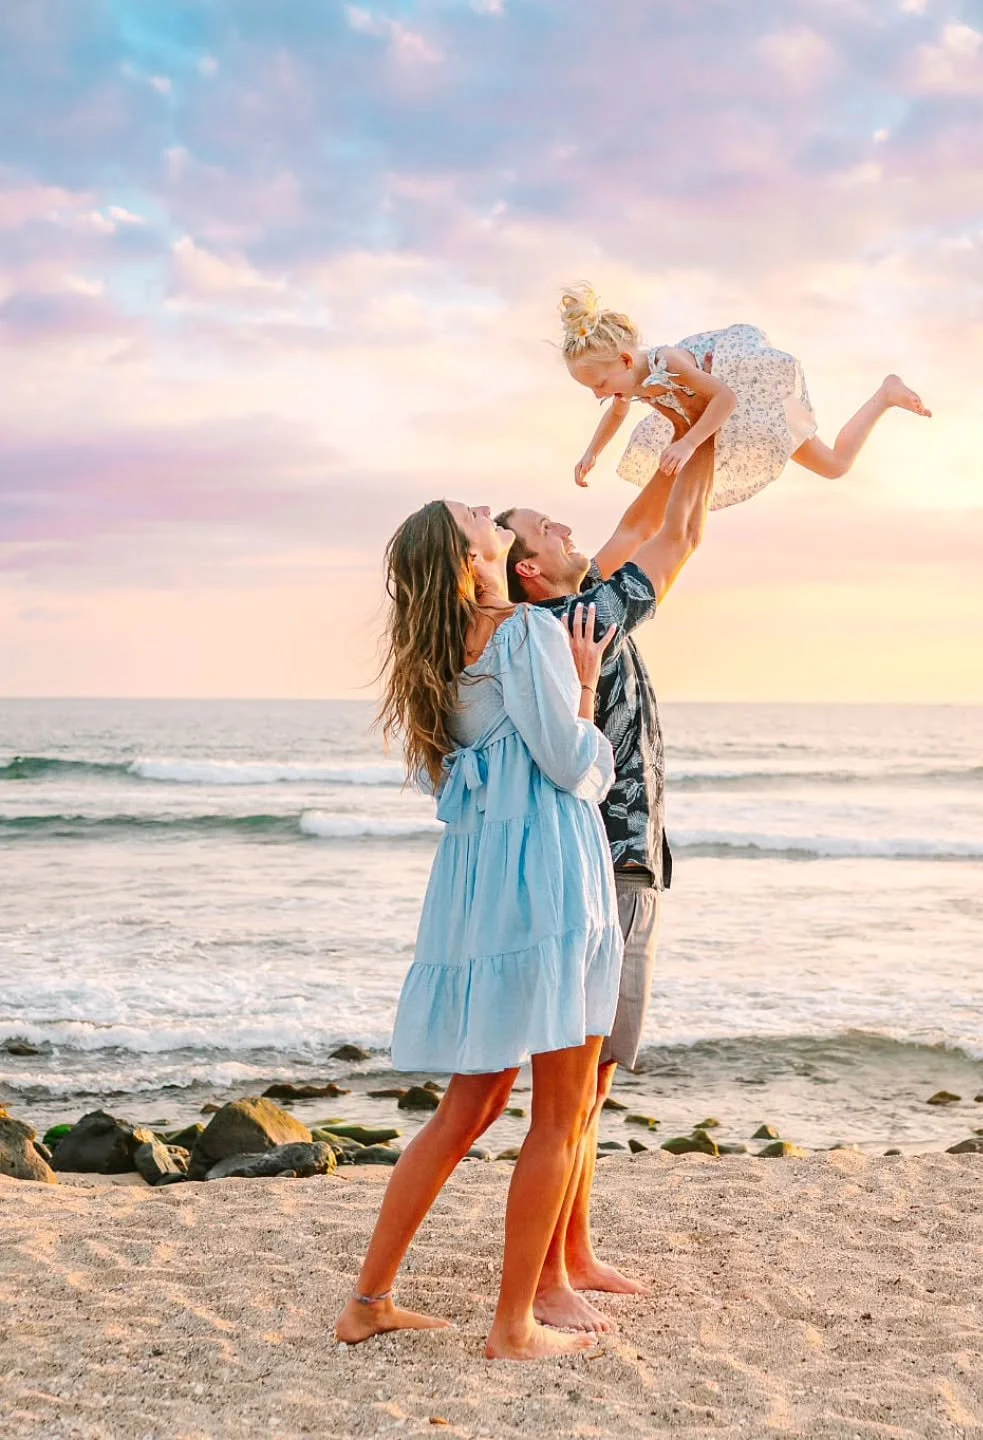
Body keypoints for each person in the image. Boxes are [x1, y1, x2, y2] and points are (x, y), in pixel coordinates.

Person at [334, 498, 622, 1362]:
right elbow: (571, 764)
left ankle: (368, 1302)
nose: (487, 510)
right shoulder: (524, 633)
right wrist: (586, 689)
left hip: (477, 888)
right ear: (473, 556)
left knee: (471, 1105)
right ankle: (513, 1326)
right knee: (562, 1113)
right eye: (476, 514)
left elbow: (445, 785)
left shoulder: (433, 660)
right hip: (548, 880)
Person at [495, 435, 716, 1333]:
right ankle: (548, 1276)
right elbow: (677, 537)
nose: (557, 522)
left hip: (630, 866)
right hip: (610, 869)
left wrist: (686, 444)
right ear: (533, 573)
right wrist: (698, 438)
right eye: (536, 528)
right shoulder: (578, 622)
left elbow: (650, 523)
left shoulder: (573, 614)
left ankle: (573, 1254)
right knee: (575, 1090)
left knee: (594, 1086)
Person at [559, 281, 930, 509]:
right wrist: (592, 452)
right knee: (677, 491)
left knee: (834, 466)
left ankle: (885, 394)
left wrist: (688, 444)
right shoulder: (631, 381)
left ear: (625, 360)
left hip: (751, 399)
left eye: (600, 385)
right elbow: (617, 413)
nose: (599, 396)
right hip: (711, 419)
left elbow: (726, 399)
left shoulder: (668, 362)